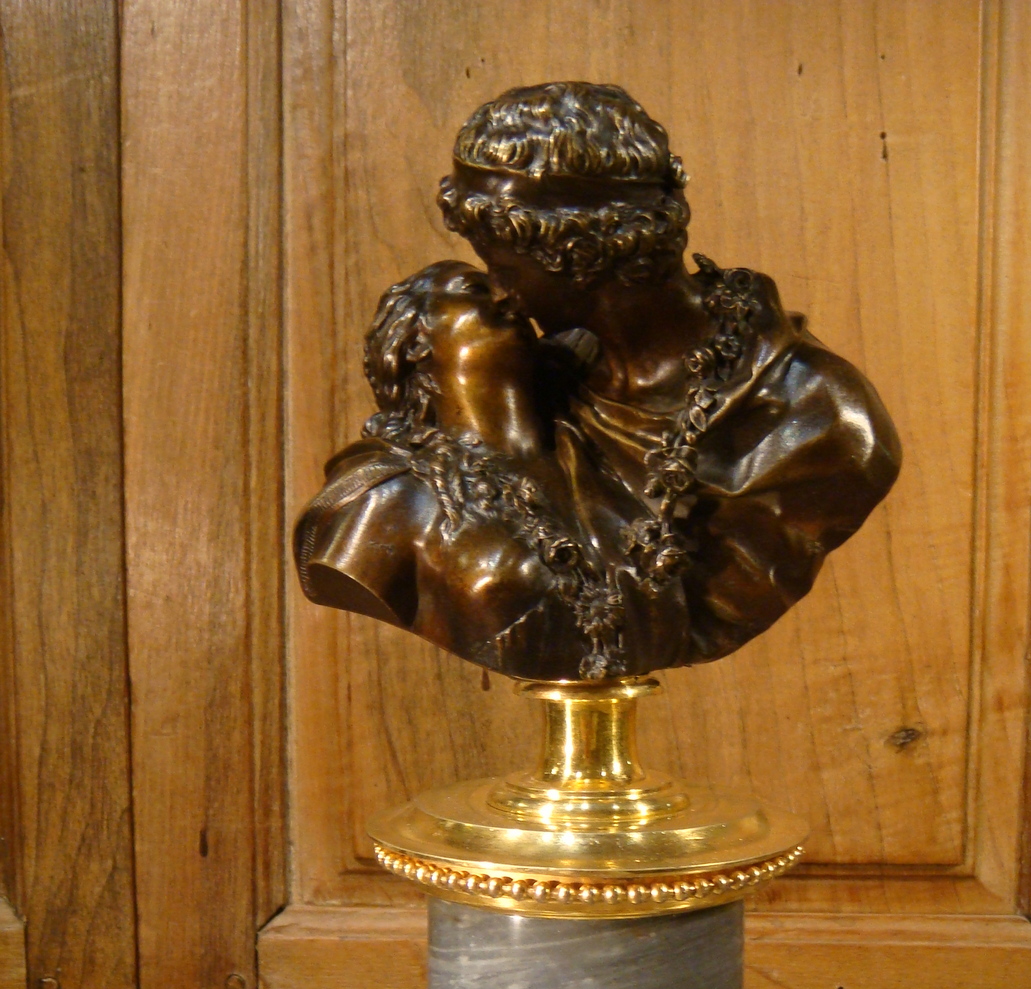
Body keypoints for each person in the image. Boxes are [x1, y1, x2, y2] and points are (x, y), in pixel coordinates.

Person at [438, 81, 902, 668]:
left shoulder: (822, 422)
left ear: (584, 255)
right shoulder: (525, 379)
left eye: (506, 269)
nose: (501, 298)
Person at [295, 261, 618, 678]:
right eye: (475, 289)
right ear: (415, 342)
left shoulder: (605, 459)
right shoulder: (383, 499)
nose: (509, 299)